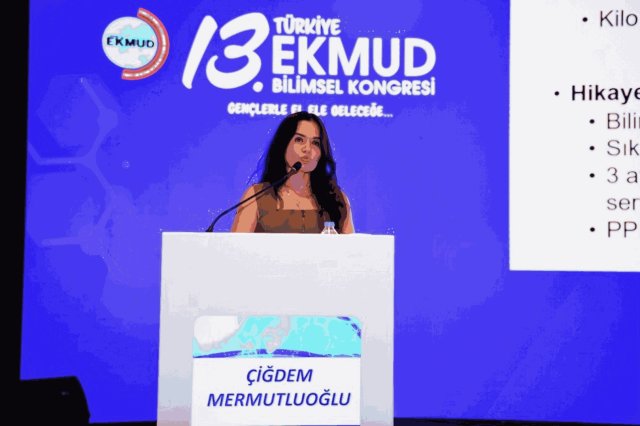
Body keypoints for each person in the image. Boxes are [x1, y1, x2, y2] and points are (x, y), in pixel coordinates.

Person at [231, 111, 354, 234]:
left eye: (315, 143)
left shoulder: (337, 200)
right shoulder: (256, 197)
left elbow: (351, 246)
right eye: (299, 140)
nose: (307, 149)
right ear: (283, 145)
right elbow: (236, 245)